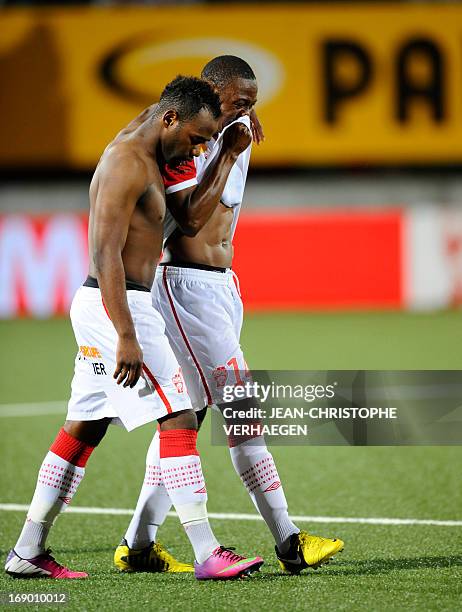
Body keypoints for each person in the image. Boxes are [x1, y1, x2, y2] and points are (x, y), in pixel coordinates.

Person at [5, 75, 263, 581]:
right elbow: (105, 253)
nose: (199, 149)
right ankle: (208, 552)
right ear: (170, 119)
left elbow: (188, 218)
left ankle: (27, 550)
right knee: (180, 419)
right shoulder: (127, 162)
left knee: (83, 428)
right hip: (119, 305)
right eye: (195, 139)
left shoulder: (160, 138)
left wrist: (225, 137)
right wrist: (125, 332)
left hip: (111, 305)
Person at [115, 56, 344, 576]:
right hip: (183, 289)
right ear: (210, 94)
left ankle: (138, 543)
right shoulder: (186, 144)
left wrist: (237, 125)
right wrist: (228, 145)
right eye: (238, 102)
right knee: (242, 412)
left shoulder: (229, 132)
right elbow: (189, 219)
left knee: (188, 417)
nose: (247, 113)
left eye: (252, 104)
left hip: (220, 291)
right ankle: (289, 541)